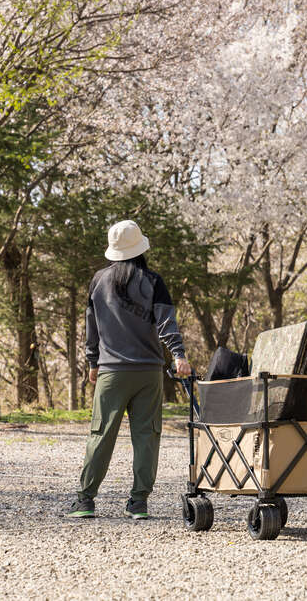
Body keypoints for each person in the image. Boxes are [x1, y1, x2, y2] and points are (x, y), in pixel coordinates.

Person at [67, 220, 191, 520]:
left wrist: (93, 362)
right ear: (140, 248)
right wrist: (178, 355)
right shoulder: (153, 281)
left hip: (111, 372)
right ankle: (138, 503)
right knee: (147, 436)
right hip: (148, 372)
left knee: (101, 434)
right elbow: (166, 322)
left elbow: (90, 326)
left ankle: (85, 501)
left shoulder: (98, 281)